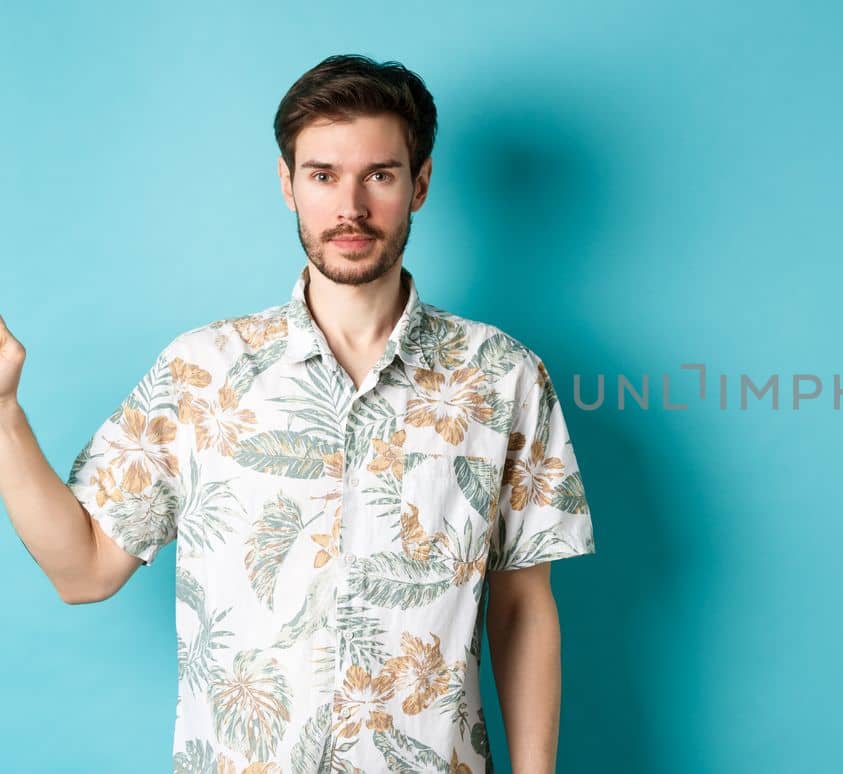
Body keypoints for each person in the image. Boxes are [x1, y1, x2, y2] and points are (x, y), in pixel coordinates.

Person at [0, 53, 595, 774]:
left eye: (379, 174)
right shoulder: (202, 371)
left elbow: (523, 608)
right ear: (288, 184)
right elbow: (84, 571)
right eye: (323, 176)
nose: (351, 207)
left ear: (421, 184)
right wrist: (4, 413)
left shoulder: (503, 376)